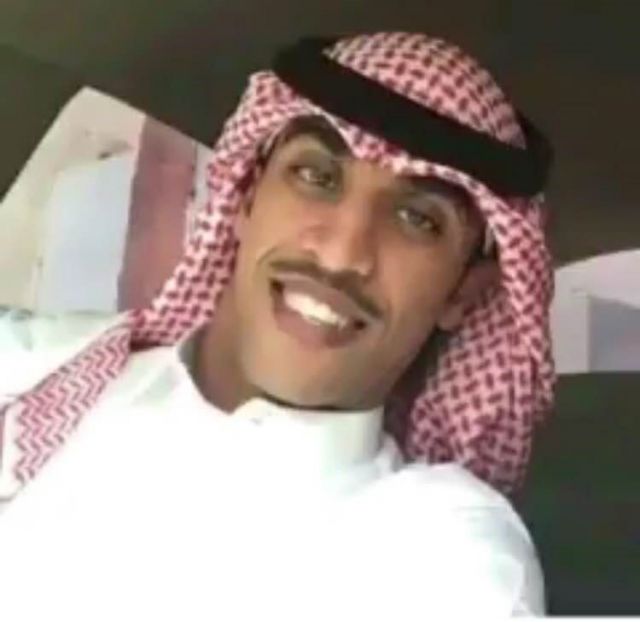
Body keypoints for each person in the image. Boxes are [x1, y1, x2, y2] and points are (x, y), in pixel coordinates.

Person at [0, 32, 554, 618]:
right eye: (317, 177)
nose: (341, 254)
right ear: (245, 197)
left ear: (463, 292)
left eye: (417, 219)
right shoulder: (35, 369)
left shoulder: (443, 556)